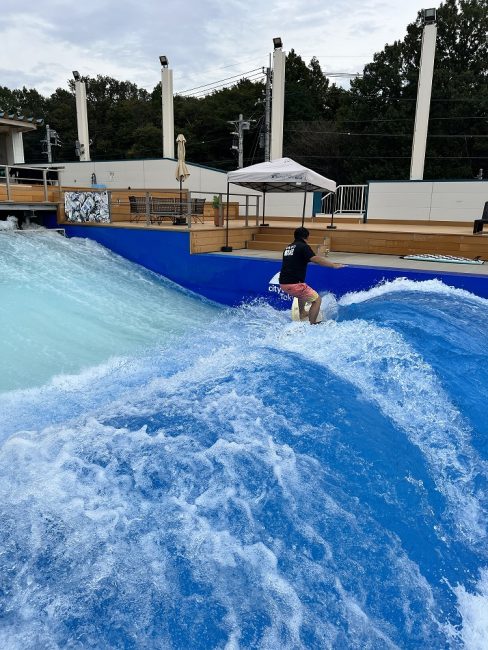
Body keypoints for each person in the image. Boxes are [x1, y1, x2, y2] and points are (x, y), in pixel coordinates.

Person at [279, 226, 345, 324]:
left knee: (301, 293)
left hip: (283, 283)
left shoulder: (287, 248)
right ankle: (312, 324)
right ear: (306, 237)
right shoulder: (303, 246)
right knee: (317, 300)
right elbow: (315, 259)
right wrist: (333, 265)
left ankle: (302, 313)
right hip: (295, 284)